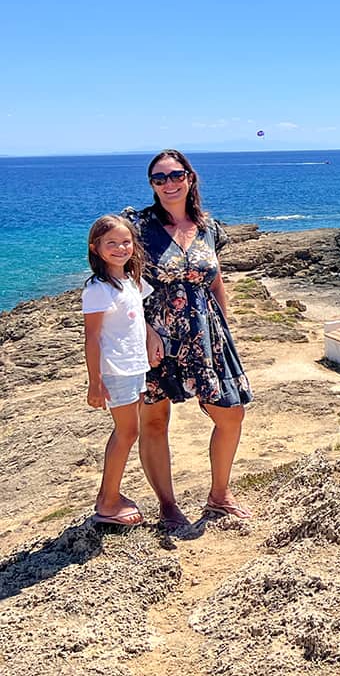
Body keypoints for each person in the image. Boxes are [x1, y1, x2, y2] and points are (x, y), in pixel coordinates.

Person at [123, 150, 253, 527]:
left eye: (175, 174)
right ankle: (167, 506)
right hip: (154, 336)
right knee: (155, 419)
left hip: (206, 332)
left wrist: (225, 329)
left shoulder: (208, 227)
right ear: (151, 185)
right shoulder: (137, 226)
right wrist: (146, 332)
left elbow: (216, 279)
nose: (168, 183)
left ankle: (219, 496)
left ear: (190, 178)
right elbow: (124, 281)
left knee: (232, 413)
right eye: (159, 178)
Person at [83, 215, 153, 526]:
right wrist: (95, 383)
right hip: (116, 370)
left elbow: (138, 316)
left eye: (125, 241)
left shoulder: (131, 281)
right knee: (127, 432)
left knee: (129, 431)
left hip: (135, 367)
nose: (120, 247)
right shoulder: (98, 289)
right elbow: (92, 337)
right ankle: (108, 501)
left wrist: (152, 337)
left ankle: (109, 496)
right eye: (110, 243)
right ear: (95, 248)